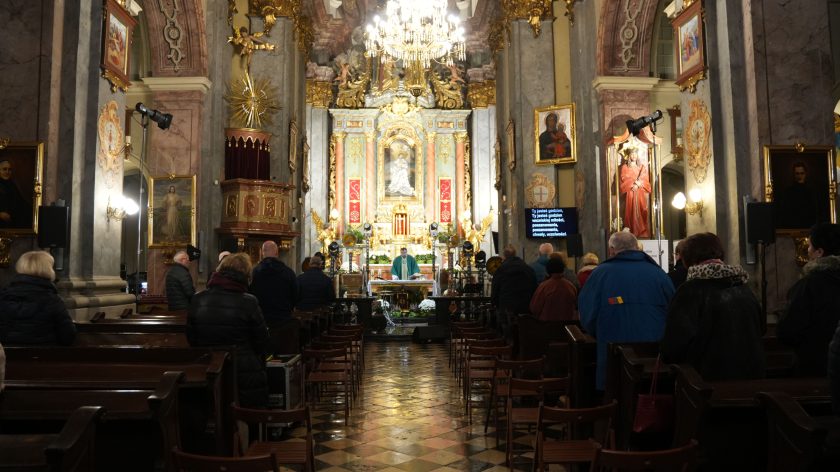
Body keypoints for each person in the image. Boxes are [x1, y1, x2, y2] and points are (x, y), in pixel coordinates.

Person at [661, 233, 765, 381]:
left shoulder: (690, 291)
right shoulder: (743, 288)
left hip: (706, 381)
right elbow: (760, 329)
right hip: (750, 377)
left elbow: (674, 344)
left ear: (687, 258)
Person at [579, 231, 674, 390]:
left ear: (611, 250)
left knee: (616, 393)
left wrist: (601, 331)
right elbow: (673, 311)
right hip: (652, 355)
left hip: (614, 351)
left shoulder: (600, 274)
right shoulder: (659, 274)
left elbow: (588, 314)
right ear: (637, 248)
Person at [186, 252, 271, 408]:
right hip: (243, 374)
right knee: (250, 415)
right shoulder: (248, 302)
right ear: (246, 275)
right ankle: (254, 431)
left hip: (207, 370)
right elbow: (262, 342)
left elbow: (192, 338)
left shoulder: (198, 299)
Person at [777, 222, 840, 376]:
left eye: (810, 246)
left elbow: (788, 331)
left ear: (819, 252)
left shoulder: (809, 285)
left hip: (817, 367)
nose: (808, 251)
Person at [0, 251, 75, 345]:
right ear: (48, 269)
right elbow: (68, 335)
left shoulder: (3, 296)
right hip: (44, 356)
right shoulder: (52, 300)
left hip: (7, 355)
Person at [249, 240, 297, 325]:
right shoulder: (288, 272)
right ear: (277, 253)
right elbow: (295, 296)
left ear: (262, 253)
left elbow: (250, 295)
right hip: (283, 320)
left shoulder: (254, 272)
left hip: (261, 320)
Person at [491, 244, 538, 317]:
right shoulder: (528, 269)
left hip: (506, 310)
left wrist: (496, 305)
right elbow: (535, 288)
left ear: (504, 256)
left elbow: (495, 291)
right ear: (515, 254)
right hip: (526, 309)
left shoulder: (500, 270)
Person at [530, 257, 578, 321]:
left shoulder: (544, 286)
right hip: (567, 326)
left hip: (547, 326)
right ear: (562, 268)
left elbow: (534, 308)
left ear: (548, 269)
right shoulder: (571, 286)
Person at [775, 161, 820, 229]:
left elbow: (815, 212)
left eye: (802, 173)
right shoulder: (788, 192)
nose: (799, 176)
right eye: (797, 174)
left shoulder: (811, 191)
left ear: (805, 174)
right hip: (792, 227)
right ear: (794, 175)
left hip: (808, 227)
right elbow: (785, 213)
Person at [618, 146, 652, 238]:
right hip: (631, 192)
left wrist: (639, 183)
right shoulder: (625, 167)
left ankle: (642, 231)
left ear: (637, 155)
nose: (633, 156)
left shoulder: (641, 167)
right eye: (632, 154)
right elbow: (623, 178)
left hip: (640, 192)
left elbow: (645, 177)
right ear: (629, 156)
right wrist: (633, 183)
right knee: (630, 211)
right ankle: (632, 231)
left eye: (635, 154)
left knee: (643, 209)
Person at [0, 159, 31, 229]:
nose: (7, 172)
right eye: (4, 169)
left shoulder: (12, 185)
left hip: (12, 223)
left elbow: (20, 202)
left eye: (9, 169)